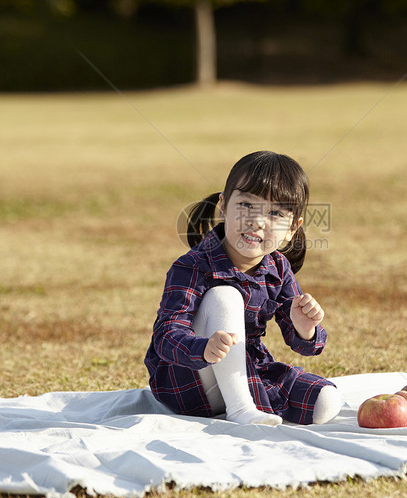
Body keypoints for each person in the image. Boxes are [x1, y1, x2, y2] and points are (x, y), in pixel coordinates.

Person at [144, 151, 341, 426]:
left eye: (274, 213)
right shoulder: (193, 265)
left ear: (292, 229)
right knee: (224, 295)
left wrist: (304, 328)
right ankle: (240, 410)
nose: (257, 221)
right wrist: (202, 348)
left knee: (327, 401)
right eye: (246, 205)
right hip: (190, 380)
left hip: (246, 370)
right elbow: (166, 336)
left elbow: (306, 346)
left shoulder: (279, 268)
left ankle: (244, 403)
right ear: (224, 206)